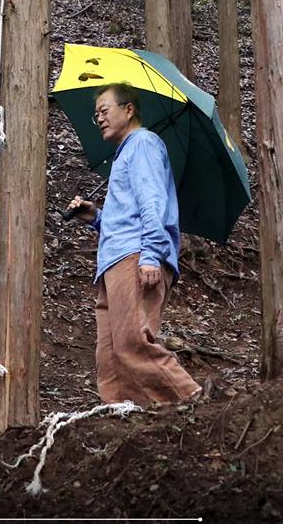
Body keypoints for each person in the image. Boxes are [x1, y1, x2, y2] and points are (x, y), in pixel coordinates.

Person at [65, 82, 201, 407]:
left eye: (104, 110)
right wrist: (95, 216)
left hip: (136, 257)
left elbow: (152, 202)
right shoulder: (125, 151)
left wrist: (152, 255)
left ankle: (195, 401)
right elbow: (126, 214)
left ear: (128, 110)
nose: (98, 118)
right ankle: (121, 417)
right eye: (96, 113)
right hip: (113, 262)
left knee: (132, 344)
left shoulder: (143, 143)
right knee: (109, 356)